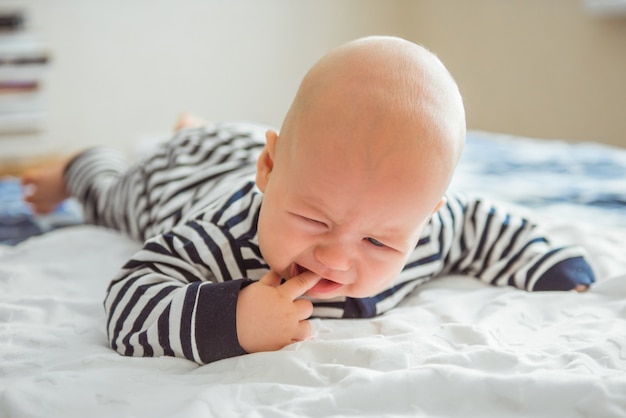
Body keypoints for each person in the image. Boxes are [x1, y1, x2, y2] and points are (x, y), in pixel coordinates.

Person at [21, 36, 595, 365]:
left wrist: (549, 265)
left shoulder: (424, 226)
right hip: (184, 177)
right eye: (312, 218)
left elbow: (484, 223)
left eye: (378, 241)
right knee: (112, 193)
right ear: (268, 172)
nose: (337, 260)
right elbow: (129, 298)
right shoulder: (222, 239)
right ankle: (88, 161)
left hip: (262, 146)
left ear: (424, 221)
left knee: (228, 136)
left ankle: (196, 126)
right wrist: (235, 317)